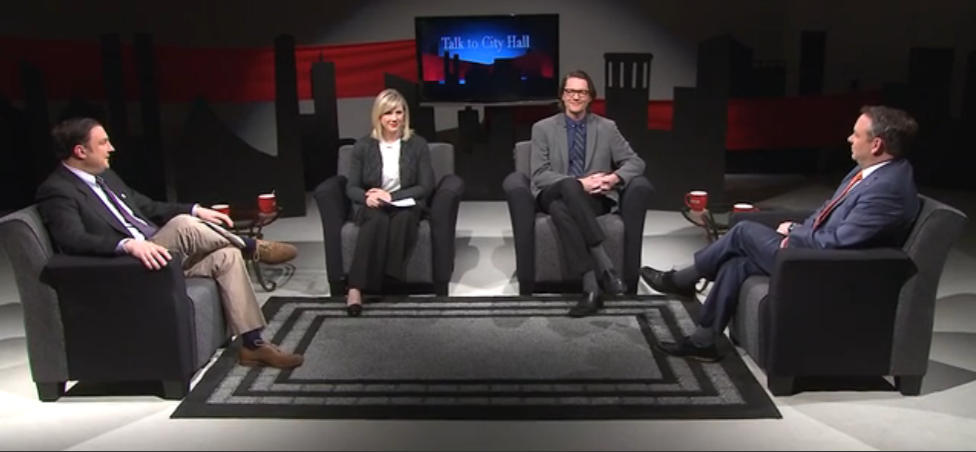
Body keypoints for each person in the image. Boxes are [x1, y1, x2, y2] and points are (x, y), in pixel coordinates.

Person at [642, 105, 921, 361]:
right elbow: (826, 211)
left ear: (876, 144)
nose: (849, 138)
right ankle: (703, 342)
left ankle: (681, 280)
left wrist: (796, 232)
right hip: (812, 252)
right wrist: (799, 230)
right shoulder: (870, 172)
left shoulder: (887, 190)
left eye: (856, 134)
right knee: (736, 263)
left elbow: (839, 242)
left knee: (743, 232)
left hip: (828, 268)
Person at [36, 117, 304, 369]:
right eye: (103, 142)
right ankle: (252, 247)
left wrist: (196, 209)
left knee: (227, 255)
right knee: (182, 224)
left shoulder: (106, 177)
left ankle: (253, 345)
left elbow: (150, 207)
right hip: (129, 264)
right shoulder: (58, 190)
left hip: (160, 255)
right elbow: (73, 239)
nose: (111, 148)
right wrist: (127, 245)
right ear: (81, 151)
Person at [530, 69, 647, 317]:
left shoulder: (606, 128)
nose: (576, 97)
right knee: (569, 187)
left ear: (590, 97)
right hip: (552, 192)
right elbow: (539, 174)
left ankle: (591, 289)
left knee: (562, 209)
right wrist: (579, 183)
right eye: (571, 91)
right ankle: (606, 266)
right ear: (562, 96)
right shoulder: (542, 128)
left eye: (582, 92)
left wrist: (614, 178)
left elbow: (635, 162)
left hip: (592, 198)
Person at [343, 89, 434, 316]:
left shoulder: (417, 144)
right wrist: (368, 197)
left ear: (405, 115)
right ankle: (354, 289)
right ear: (379, 116)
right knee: (376, 221)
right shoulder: (363, 146)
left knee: (404, 219)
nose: (394, 118)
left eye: (399, 112)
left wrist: (392, 197)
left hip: (405, 203)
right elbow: (351, 187)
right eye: (388, 113)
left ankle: (384, 281)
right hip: (373, 203)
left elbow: (426, 185)